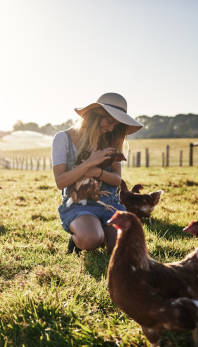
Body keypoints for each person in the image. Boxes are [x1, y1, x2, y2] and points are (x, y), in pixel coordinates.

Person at [51, 93, 143, 253]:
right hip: (78, 204)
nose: (111, 128)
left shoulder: (112, 139)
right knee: (91, 239)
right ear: (95, 116)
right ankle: (81, 236)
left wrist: (97, 171)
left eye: (116, 125)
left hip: (109, 204)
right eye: (109, 121)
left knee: (123, 248)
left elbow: (116, 180)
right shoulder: (63, 139)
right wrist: (89, 163)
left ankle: (100, 229)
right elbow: (61, 182)